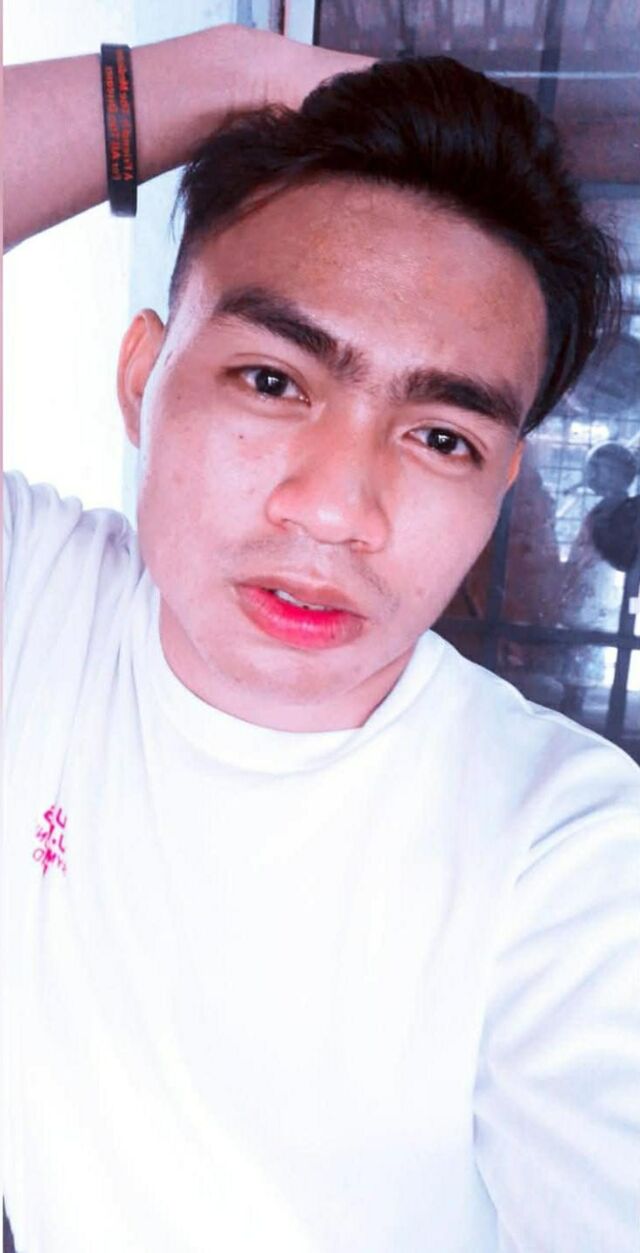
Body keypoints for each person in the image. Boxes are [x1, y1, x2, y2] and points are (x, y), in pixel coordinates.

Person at [4, 22, 639, 1253]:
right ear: (141, 378)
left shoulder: (563, 854)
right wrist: (218, 77)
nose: (337, 509)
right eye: (273, 380)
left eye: (442, 437)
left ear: (501, 486)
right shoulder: (39, 602)